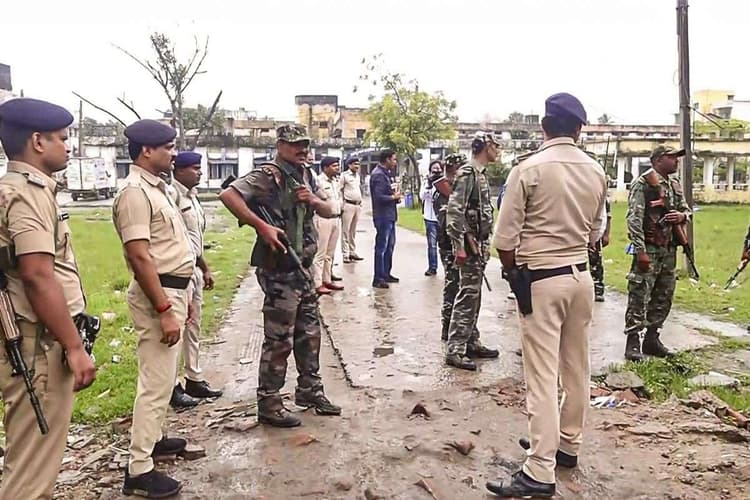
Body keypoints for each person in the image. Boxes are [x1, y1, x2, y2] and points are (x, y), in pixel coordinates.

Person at [487, 93, 607, 498]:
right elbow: (596, 234)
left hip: (541, 278)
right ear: (579, 129)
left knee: (541, 375)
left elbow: (504, 238)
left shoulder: (528, 169)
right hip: (580, 277)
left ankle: (539, 469)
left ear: (543, 126)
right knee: (576, 368)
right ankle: (567, 445)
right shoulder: (595, 170)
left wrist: (512, 272)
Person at [0, 97, 97, 499]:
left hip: (27, 336)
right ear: (38, 141)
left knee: (29, 457)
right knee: (32, 472)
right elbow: (38, 276)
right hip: (37, 344)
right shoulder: (27, 193)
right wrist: (74, 347)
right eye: (63, 138)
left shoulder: (12, 189)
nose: (69, 146)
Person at [218, 124, 341, 428]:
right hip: (280, 269)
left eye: (305, 144)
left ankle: (310, 390)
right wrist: (262, 226)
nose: (303, 149)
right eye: (295, 144)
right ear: (280, 145)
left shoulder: (306, 174)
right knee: (279, 339)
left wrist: (312, 200)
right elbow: (229, 196)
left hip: (304, 266)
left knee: (309, 333)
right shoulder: (267, 175)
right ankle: (269, 403)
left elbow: (329, 211)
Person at [112, 119, 196, 497]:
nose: (174, 153)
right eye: (168, 147)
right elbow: (139, 256)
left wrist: (182, 297)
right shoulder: (134, 193)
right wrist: (164, 308)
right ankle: (139, 469)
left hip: (173, 291)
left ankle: (155, 438)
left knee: (163, 377)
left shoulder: (157, 188)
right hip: (158, 294)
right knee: (156, 383)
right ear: (146, 150)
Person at [623, 145, 691, 361]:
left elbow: (687, 210)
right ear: (658, 160)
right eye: (672, 157)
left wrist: (681, 216)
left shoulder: (674, 184)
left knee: (664, 295)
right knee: (640, 293)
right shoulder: (644, 183)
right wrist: (640, 251)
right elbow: (634, 218)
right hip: (649, 248)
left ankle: (652, 339)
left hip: (668, 249)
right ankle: (633, 342)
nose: (676, 161)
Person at [169, 151, 223, 409]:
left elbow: (195, 239)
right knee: (178, 329)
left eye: (200, 168)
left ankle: (194, 378)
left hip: (194, 269)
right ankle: (172, 385)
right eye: (194, 168)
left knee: (194, 327)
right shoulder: (172, 195)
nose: (199, 172)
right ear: (178, 170)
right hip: (178, 271)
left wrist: (205, 268)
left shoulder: (193, 197)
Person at [444, 132, 500, 371]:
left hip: (480, 242)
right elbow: (454, 211)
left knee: (474, 294)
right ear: (485, 146)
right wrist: (459, 246)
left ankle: (471, 340)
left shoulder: (480, 174)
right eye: (495, 145)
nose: (498, 150)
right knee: (467, 294)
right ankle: (455, 348)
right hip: (469, 246)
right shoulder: (468, 173)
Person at [435, 153, 466, 340]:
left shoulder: (457, 190)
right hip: (449, 246)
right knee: (452, 285)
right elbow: (445, 221)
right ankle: (447, 325)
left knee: (462, 287)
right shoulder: (442, 192)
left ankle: (461, 327)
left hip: (459, 244)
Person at [369, 149, 401, 288]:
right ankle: (378, 277)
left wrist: (394, 198)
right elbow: (378, 197)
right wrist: (393, 197)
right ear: (387, 159)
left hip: (389, 215)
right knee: (381, 247)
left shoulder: (386, 174)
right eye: (393, 159)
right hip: (383, 216)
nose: (395, 162)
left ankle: (386, 273)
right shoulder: (378, 175)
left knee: (389, 246)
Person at [313, 156, 344, 295]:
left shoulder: (336, 181)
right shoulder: (318, 182)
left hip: (336, 219)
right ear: (325, 168)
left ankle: (327, 280)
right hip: (323, 219)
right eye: (334, 166)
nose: (337, 168)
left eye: (337, 165)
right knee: (320, 253)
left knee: (330, 253)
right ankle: (317, 283)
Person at [588, 181, 612, 302]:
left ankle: (598, 289)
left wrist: (606, 234)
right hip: (583, 233)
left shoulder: (604, 199)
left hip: (597, 234)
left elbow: (608, 217)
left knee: (596, 262)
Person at [340, 157, 364, 263]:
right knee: (345, 230)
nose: (357, 166)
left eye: (358, 164)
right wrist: (342, 204)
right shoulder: (344, 176)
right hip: (348, 205)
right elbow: (339, 190)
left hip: (357, 205)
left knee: (353, 231)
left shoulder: (357, 176)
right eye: (355, 164)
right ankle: (345, 254)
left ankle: (352, 252)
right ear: (349, 165)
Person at [420, 160, 442, 276]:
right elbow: (422, 196)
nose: (436, 171)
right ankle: (432, 267)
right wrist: (429, 185)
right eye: (434, 169)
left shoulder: (444, 182)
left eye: (438, 169)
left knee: (444, 245)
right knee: (432, 244)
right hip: (430, 217)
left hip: (442, 217)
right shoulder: (426, 182)